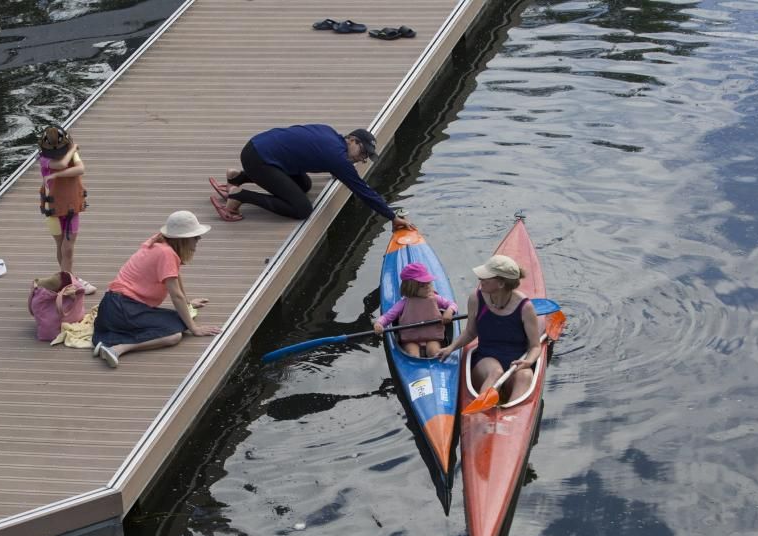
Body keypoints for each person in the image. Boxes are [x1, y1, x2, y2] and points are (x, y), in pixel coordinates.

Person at [208, 124, 413, 231]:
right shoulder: (338, 159)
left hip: (258, 147)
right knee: (302, 209)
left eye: (366, 157)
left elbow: (320, 153)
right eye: (363, 152)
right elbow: (363, 191)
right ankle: (240, 195)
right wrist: (392, 217)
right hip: (259, 160)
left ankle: (238, 177)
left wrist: (339, 169)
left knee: (304, 184)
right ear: (351, 139)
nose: (362, 159)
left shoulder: (330, 134)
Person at [91, 211, 222, 368]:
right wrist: (195, 329)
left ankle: (111, 341)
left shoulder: (162, 244)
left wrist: (188, 303)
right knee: (174, 335)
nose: (199, 239)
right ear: (183, 239)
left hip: (114, 306)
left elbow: (175, 275)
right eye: (195, 236)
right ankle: (117, 348)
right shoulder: (166, 253)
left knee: (179, 320)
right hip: (123, 308)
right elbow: (175, 296)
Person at [438, 255, 541, 402]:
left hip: (517, 362)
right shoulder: (476, 298)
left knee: (525, 375)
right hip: (486, 359)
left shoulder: (525, 307)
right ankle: (483, 410)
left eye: (485, 277)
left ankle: (512, 416)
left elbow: (535, 346)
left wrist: (529, 362)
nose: (480, 280)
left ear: (500, 284)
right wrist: (451, 348)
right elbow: (470, 332)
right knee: (496, 372)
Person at [38, 125, 96, 294]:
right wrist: (73, 149)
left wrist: (57, 174)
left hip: (71, 208)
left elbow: (80, 169)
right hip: (53, 210)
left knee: (68, 248)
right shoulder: (44, 159)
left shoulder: (71, 153)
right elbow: (62, 163)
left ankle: (68, 281)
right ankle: (69, 280)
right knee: (61, 244)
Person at [374, 262, 457, 358]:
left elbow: (452, 304)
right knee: (413, 354)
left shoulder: (435, 298)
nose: (428, 287)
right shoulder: (403, 303)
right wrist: (379, 324)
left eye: (428, 283)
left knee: (434, 352)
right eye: (422, 285)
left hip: (432, 337)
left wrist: (449, 311)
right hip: (411, 340)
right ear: (410, 288)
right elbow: (388, 317)